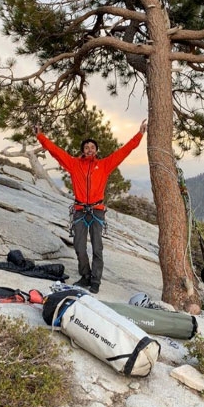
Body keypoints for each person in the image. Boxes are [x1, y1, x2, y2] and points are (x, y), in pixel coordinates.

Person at [34, 119, 147, 294]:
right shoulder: (73, 164)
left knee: (97, 247)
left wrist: (139, 134)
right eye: (86, 147)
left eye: (92, 147)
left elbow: (124, 151)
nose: (89, 149)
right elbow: (55, 151)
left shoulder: (104, 165)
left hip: (96, 211)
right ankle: (85, 276)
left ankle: (96, 280)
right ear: (82, 150)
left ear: (96, 150)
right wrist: (40, 136)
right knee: (79, 247)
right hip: (80, 210)